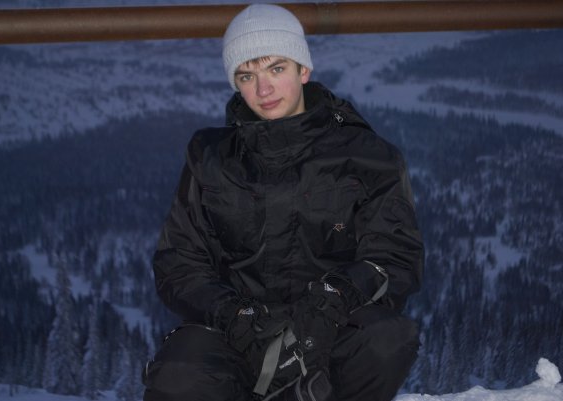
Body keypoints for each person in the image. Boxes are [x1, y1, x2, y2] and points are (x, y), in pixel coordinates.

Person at [143, 4, 424, 401]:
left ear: (303, 69)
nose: (263, 90)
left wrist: (337, 296)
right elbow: (179, 262)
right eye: (247, 76)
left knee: (386, 339)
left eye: (276, 68)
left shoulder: (367, 156)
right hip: (237, 339)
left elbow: (394, 255)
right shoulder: (209, 157)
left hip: (329, 331)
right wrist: (231, 314)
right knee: (178, 374)